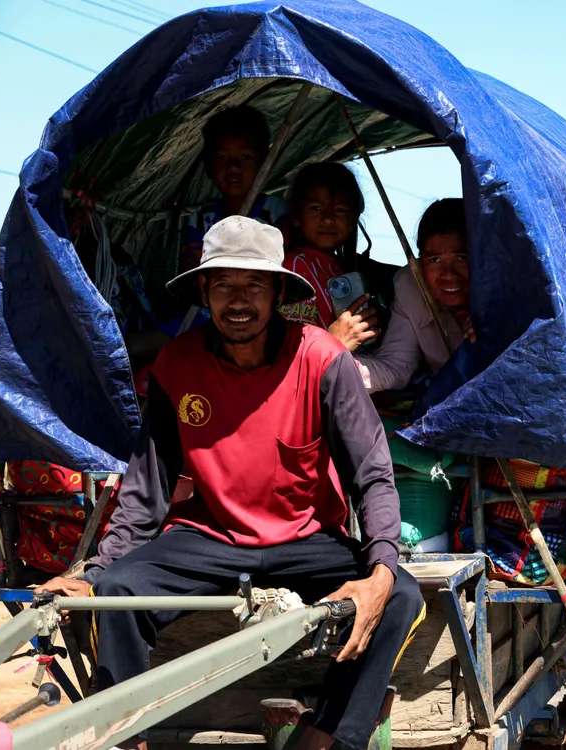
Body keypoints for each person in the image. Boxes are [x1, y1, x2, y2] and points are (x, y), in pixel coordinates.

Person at [36, 216, 423, 750]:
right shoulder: (179, 362)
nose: (238, 300)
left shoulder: (322, 358)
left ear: (278, 292)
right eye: (223, 285)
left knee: (399, 593)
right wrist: (97, 570)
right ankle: (129, 738)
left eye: (253, 285)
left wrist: (379, 568)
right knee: (117, 592)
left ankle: (331, 734)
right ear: (204, 290)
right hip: (210, 537)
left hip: (306, 539)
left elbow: (372, 475)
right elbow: (146, 491)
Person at [359, 198, 473, 393]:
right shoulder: (413, 287)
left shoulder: (513, 288)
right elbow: (395, 366)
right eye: (435, 260)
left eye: (462, 258)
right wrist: (332, 364)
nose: (448, 274)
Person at [279, 162, 380, 352]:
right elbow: (293, 347)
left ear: (353, 221)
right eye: (316, 208)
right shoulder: (294, 267)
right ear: (296, 215)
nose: (328, 218)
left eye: (340, 210)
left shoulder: (340, 270)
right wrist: (337, 344)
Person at [179, 106, 289, 275]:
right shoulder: (200, 221)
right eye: (222, 158)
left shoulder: (278, 214)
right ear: (209, 167)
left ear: (264, 165)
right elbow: (193, 276)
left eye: (246, 157)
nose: (233, 167)